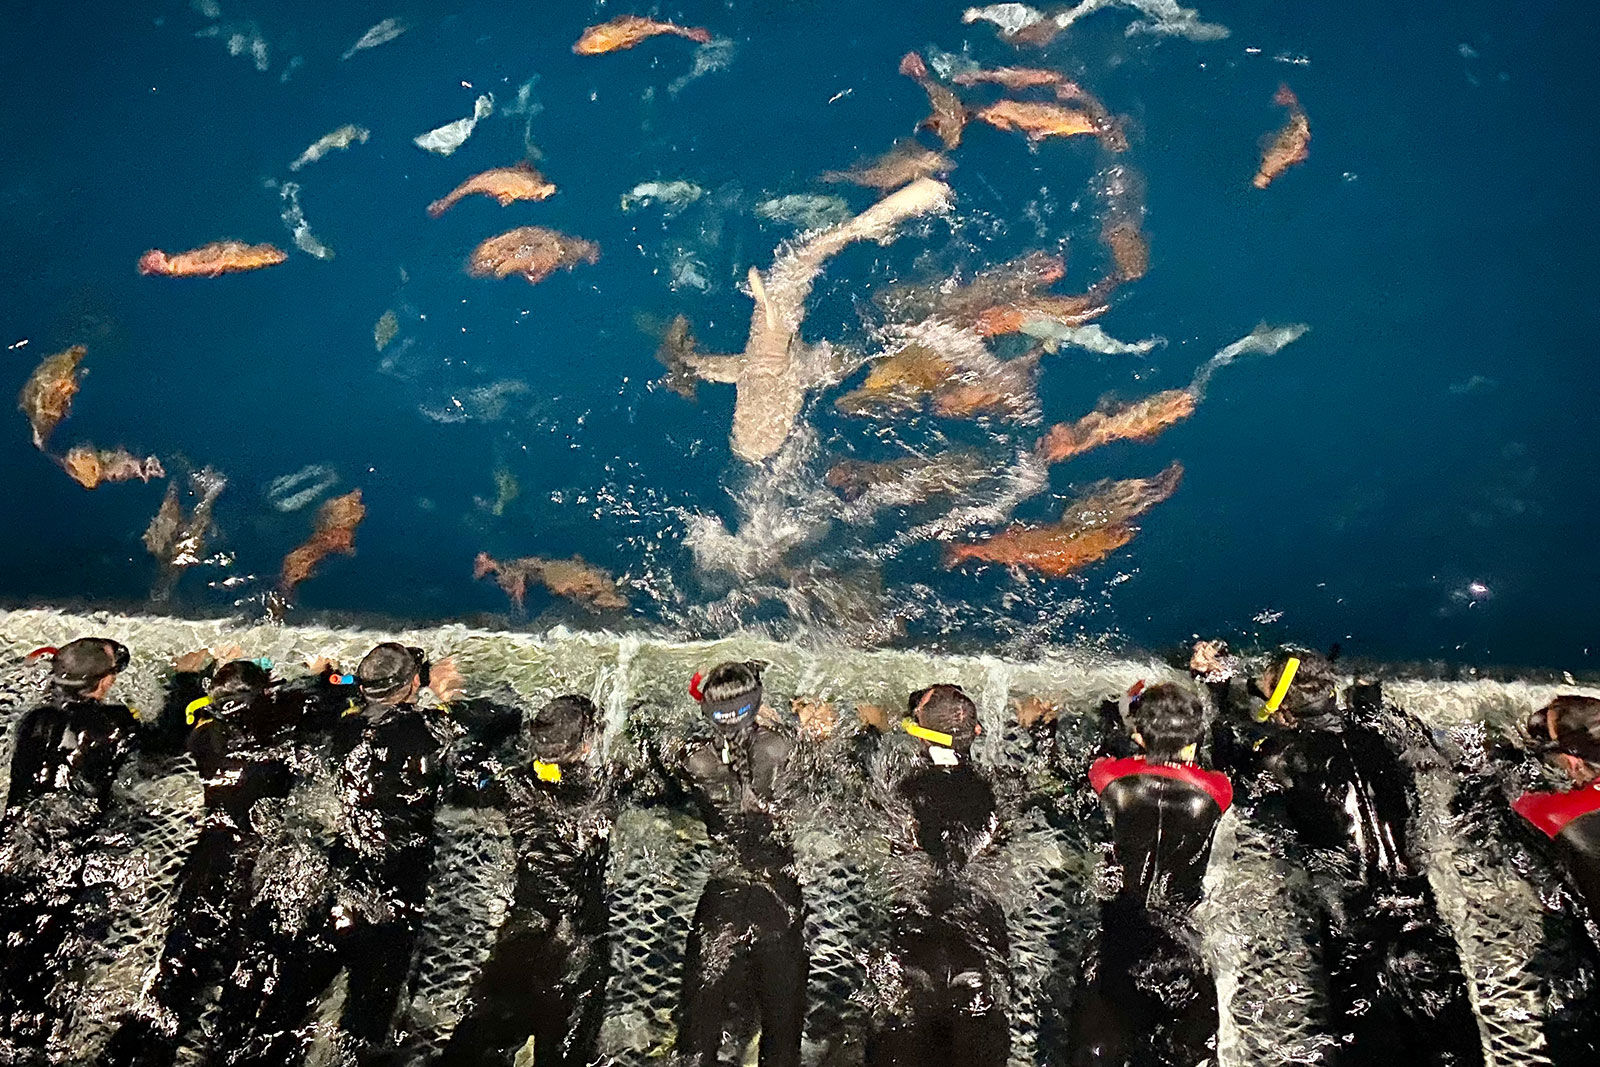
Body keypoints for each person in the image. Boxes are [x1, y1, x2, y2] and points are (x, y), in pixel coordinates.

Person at [209, 641, 511, 1067]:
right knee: (366, 1019)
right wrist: (449, 695)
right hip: (395, 894)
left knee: (289, 1003)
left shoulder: (345, 731)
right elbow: (500, 722)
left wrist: (335, 677)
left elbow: (337, 693)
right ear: (411, 685)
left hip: (339, 883)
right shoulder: (432, 732)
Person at [1216, 651, 1483, 1067]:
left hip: (1356, 921)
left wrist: (1214, 689)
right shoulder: (1376, 734)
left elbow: (1226, 765)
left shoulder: (1279, 753)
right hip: (1421, 915)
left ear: (1283, 712)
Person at [99, 651, 354, 1066]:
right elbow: (338, 697)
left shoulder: (203, 733)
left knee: (178, 967)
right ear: (264, 695)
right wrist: (324, 675)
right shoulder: (283, 720)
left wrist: (191, 678)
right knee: (250, 970)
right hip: (258, 861)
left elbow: (185, 718)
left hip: (208, 857)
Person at [438, 694, 616, 1067]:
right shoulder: (604, 789)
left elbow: (465, 773)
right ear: (587, 745)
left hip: (522, 933)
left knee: (477, 1045)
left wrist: (449, 700)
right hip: (578, 939)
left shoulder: (514, 784)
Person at [1067, 682, 1230, 1067]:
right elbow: (1198, 767)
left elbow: (1106, 760)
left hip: (1117, 945)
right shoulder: (1217, 791)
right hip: (1180, 946)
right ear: (1194, 738)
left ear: (1138, 734)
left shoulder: (1109, 781)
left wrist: (1119, 715)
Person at [0, 637, 138, 1051]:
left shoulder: (33, 720)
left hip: (14, 841)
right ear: (104, 683)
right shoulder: (115, 725)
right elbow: (164, 749)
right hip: (67, 850)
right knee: (46, 956)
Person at [670, 660, 806, 1067]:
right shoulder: (783, 749)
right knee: (782, 1046)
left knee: (696, 1045)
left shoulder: (692, 760)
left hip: (720, 906)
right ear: (759, 705)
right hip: (778, 905)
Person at [866, 684, 1011, 1067]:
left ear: (919, 733)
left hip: (914, 947)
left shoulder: (900, 788)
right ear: (976, 733)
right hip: (977, 952)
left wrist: (872, 735)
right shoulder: (1000, 788)